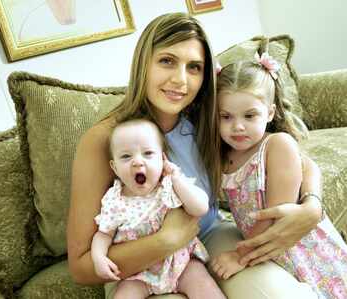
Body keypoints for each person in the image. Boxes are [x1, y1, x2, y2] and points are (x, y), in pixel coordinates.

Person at [67, 12, 323, 298]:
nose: (180, 80)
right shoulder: (107, 139)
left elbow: (297, 159)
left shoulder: (204, 117)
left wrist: (312, 206)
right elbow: (80, 267)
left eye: (194, 67)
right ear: (143, 63)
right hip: (136, 266)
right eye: (167, 61)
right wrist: (168, 239)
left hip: (209, 237)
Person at [210, 54, 347, 297]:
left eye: (249, 115)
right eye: (226, 116)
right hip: (267, 249)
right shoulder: (225, 154)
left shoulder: (277, 146)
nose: (238, 126)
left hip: (300, 247)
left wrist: (240, 255)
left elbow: (275, 214)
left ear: (270, 113)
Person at [91, 118, 226, 298]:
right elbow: (103, 235)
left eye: (148, 153)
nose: (138, 162)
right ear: (114, 167)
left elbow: (200, 207)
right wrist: (98, 257)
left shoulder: (170, 185)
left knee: (204, 286)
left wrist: (177, 178)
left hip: (181, 262)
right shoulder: (114, 200)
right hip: (138, 274)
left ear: (162, 159)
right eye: (126, 156)